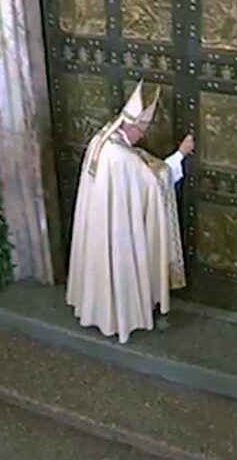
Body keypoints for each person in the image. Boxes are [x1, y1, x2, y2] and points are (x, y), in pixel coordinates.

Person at [67, 80, 195, 343]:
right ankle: (121, 318)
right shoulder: (122, 158)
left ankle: (96, 309)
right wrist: (181, 154)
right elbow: (157, 181)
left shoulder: (101, 139)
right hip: (118, 232)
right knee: (118, 264)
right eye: (142, 130)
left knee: (102, 264)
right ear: (133, 125)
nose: (142, 136)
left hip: (99, 225)